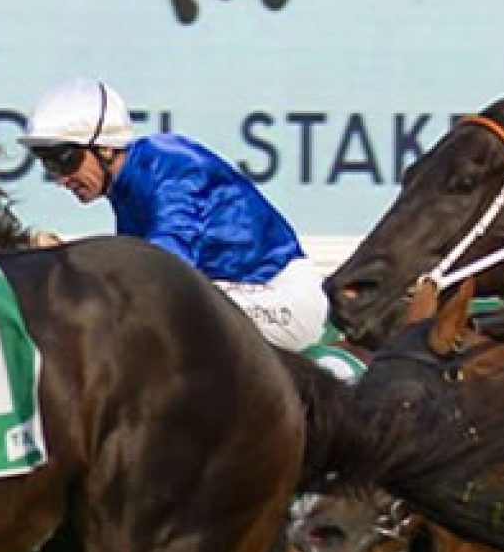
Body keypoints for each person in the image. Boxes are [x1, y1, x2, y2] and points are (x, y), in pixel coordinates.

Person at [18, 78, 326, 351]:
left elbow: (164, 270)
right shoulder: (125, 185)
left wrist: (69, 263)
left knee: (168, 312)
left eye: (64, 161)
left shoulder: (171, 167)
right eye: (48, 164)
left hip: (282, 297)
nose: (59, 179)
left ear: (106, 148)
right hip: (232, 289)